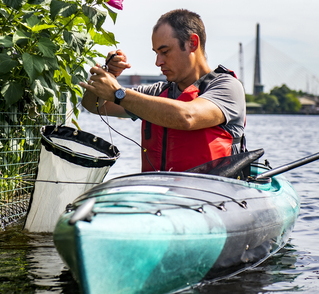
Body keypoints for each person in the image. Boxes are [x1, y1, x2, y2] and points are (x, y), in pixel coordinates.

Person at [80, 9, 246, 172]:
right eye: (156, 53)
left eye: (165, 52)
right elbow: (95, 106)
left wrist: (119, 93)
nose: (158, 62)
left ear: (192, 43)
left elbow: (188, 117)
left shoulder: (227, 87)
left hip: (212, 197)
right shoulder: (157, 92)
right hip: (160, 197)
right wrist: (109, 74)